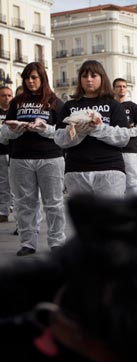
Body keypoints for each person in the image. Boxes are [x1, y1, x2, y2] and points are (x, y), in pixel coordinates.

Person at [1, 62, 65, 256]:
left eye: (34, 77)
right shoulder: (17, 102)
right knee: (24, 203)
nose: (30, 81)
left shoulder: (55, 102)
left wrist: (46, 130)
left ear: (42, 78)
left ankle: (57, 243)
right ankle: (28, 242)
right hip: (20, 157)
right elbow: (4, 132)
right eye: (27, 78)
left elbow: (64, 134)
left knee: (53, 203)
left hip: (50, 157)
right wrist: (12, 130)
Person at [55, 60, 131, 198]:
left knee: (110, 216)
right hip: (76, 170)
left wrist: (98, 129)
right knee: (83, 219)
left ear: (102, 78)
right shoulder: (70, 105)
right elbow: (59, 139)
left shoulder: (113, 105)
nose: (89, 80)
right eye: (84, 76)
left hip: (110, 168)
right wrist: (77, 132)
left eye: (93, 75)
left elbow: (124, 138)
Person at [113, 78, 137, 196]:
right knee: (114, 183)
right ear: (113, 89)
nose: (121, 88)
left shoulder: (133, 107)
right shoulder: (110, 106)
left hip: (129, 150)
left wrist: (125, 132)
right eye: (118, 86)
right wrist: (126, 129)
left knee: (132, 182)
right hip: (112, 150)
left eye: (124, 86)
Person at [0, 86, 13, 223]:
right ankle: (3, 212)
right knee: (2, 183)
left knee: (15, 184)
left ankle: (14, 208)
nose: (6, 98)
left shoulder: (14, 112)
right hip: (0, 153)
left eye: (9, 95)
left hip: (13, 152)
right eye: (3, 95)